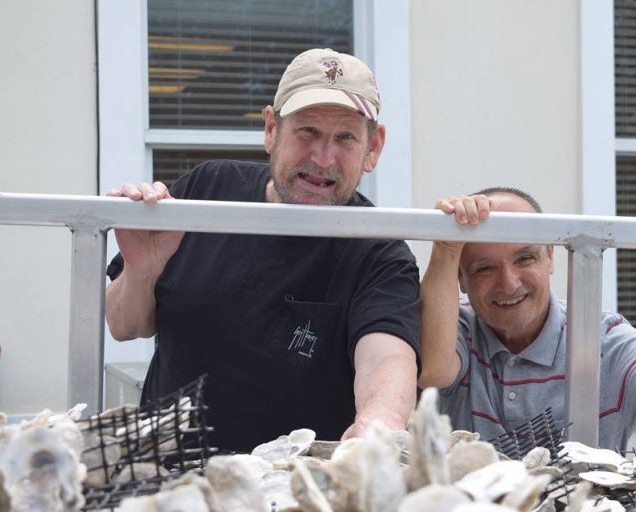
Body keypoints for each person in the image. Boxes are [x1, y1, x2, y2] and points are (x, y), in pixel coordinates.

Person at [105, 48, 420, 453]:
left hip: (295, 485)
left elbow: (386, 357)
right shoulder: (207, 191)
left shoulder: (379, 251)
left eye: (345, 138)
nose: (323, 158)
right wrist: (143, 270)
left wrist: (379, 424)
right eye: (307, 131)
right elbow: (124, 326)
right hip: (170, 475)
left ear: (373, 147)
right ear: (271, 130)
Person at [418, 187, 636, 451]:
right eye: (484, 268)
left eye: (525, 258)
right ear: (460, 279)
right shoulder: (456, 329)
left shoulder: (604, 339)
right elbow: (435, 372)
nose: (509, 283)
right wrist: (446, 245)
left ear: (550, 257)